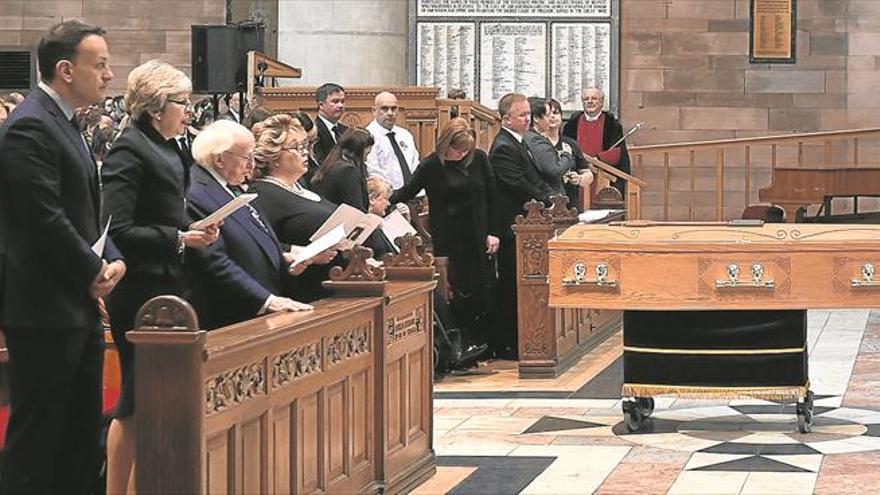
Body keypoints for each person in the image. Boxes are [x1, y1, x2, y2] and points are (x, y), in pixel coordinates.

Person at [0, 20, 126, 494]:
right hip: (43, 308)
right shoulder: (31, 124)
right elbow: (43, 216)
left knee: (77, 433)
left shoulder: (66, 123)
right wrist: (93, 269)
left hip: (72, 302)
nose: (109, 75)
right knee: (40, 437)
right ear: (66, 70)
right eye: (101, 65)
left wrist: (108, 259)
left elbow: (86, 210)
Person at [101, 59, 220, 495]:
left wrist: (194, 232)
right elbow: (116, 226)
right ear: (155, 107)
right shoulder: (129, 148)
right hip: (140, 290)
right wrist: (178, 239)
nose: (189, 110)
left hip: (169, 283)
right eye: (181, 103)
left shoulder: (170, 146)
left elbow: (170, 209)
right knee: (134, 399)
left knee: (154, 400)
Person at [186, 120, 314, 329]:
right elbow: (213, 260)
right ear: (220, 160)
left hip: (257, 309)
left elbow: (254, 237)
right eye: (246, 157)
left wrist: (285, 256)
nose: (251, 165)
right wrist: (266, 300)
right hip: (230, 316)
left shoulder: (232, 187)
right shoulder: (197, 193)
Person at [392, 117, 499, 357]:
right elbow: (407, 190)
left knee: (484, 288)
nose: (461, 154)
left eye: (465, 150)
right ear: (445, 144)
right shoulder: (432, 165)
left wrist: (493, 232)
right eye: (457, 149)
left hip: (479, 233)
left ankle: (483, 343)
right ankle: (462, 344)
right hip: (449, 237)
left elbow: (493, 196)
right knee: (457, 291)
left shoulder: (479, 159)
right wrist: (380, 204)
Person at [489, 92, 554, 359]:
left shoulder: (519, 141)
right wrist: (545, 200)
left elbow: (533, 177)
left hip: (527, 224)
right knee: (511, 286)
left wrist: (550, 198)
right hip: (512, 226)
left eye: (529, 114)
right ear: (506, 118)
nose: (528, 119)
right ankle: (510, 343)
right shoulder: (503, 146)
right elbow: (517, 184)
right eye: (523, 115)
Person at [249, 114, 340, 302]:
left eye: (306, 146)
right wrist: (305, 254)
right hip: (303, 291)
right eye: (296, 148)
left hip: (333, 282)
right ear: (273, 156)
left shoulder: (301, 186)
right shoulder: (263, 194)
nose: (305, 152)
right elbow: (260, 242)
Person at [561, 87, 630, 198]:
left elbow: (618, 151)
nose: (589, 101)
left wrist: (597, 160)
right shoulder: (571, 124)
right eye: (586, 99)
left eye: (594, 98)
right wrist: (581, 163)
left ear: (602, 102)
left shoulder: (612, 124)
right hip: (578, 174)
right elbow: (565, 148)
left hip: (603, 175)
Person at [525, 97, 593, 207]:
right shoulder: (536, 141)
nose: (552, 117)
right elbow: (553, 170)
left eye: (556, 113)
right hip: (546, 200)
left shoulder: (570, 143)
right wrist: (566, 157)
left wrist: (579, 179)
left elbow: (588, 173)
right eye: (548, 113)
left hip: (569, 198)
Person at [310, 127, 375, 212]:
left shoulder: (330, 165)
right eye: (366, 154)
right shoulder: (348, 171)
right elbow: (355, 209)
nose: (365, 159)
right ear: (356, 152)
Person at [365, 91, 420, 191]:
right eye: (384, 109)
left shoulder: (405, 134)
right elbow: (373, 171)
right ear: (374, 111)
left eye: (394, 108)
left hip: (412, 195)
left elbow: (415, 164)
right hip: (386, 196)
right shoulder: (368, 136)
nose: (390, 113)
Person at [313, 82, 348, 165]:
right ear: (321, 105)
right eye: (335, 102)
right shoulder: (314, 131)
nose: (340, 105)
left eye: (342, 101)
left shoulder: (346, 130)